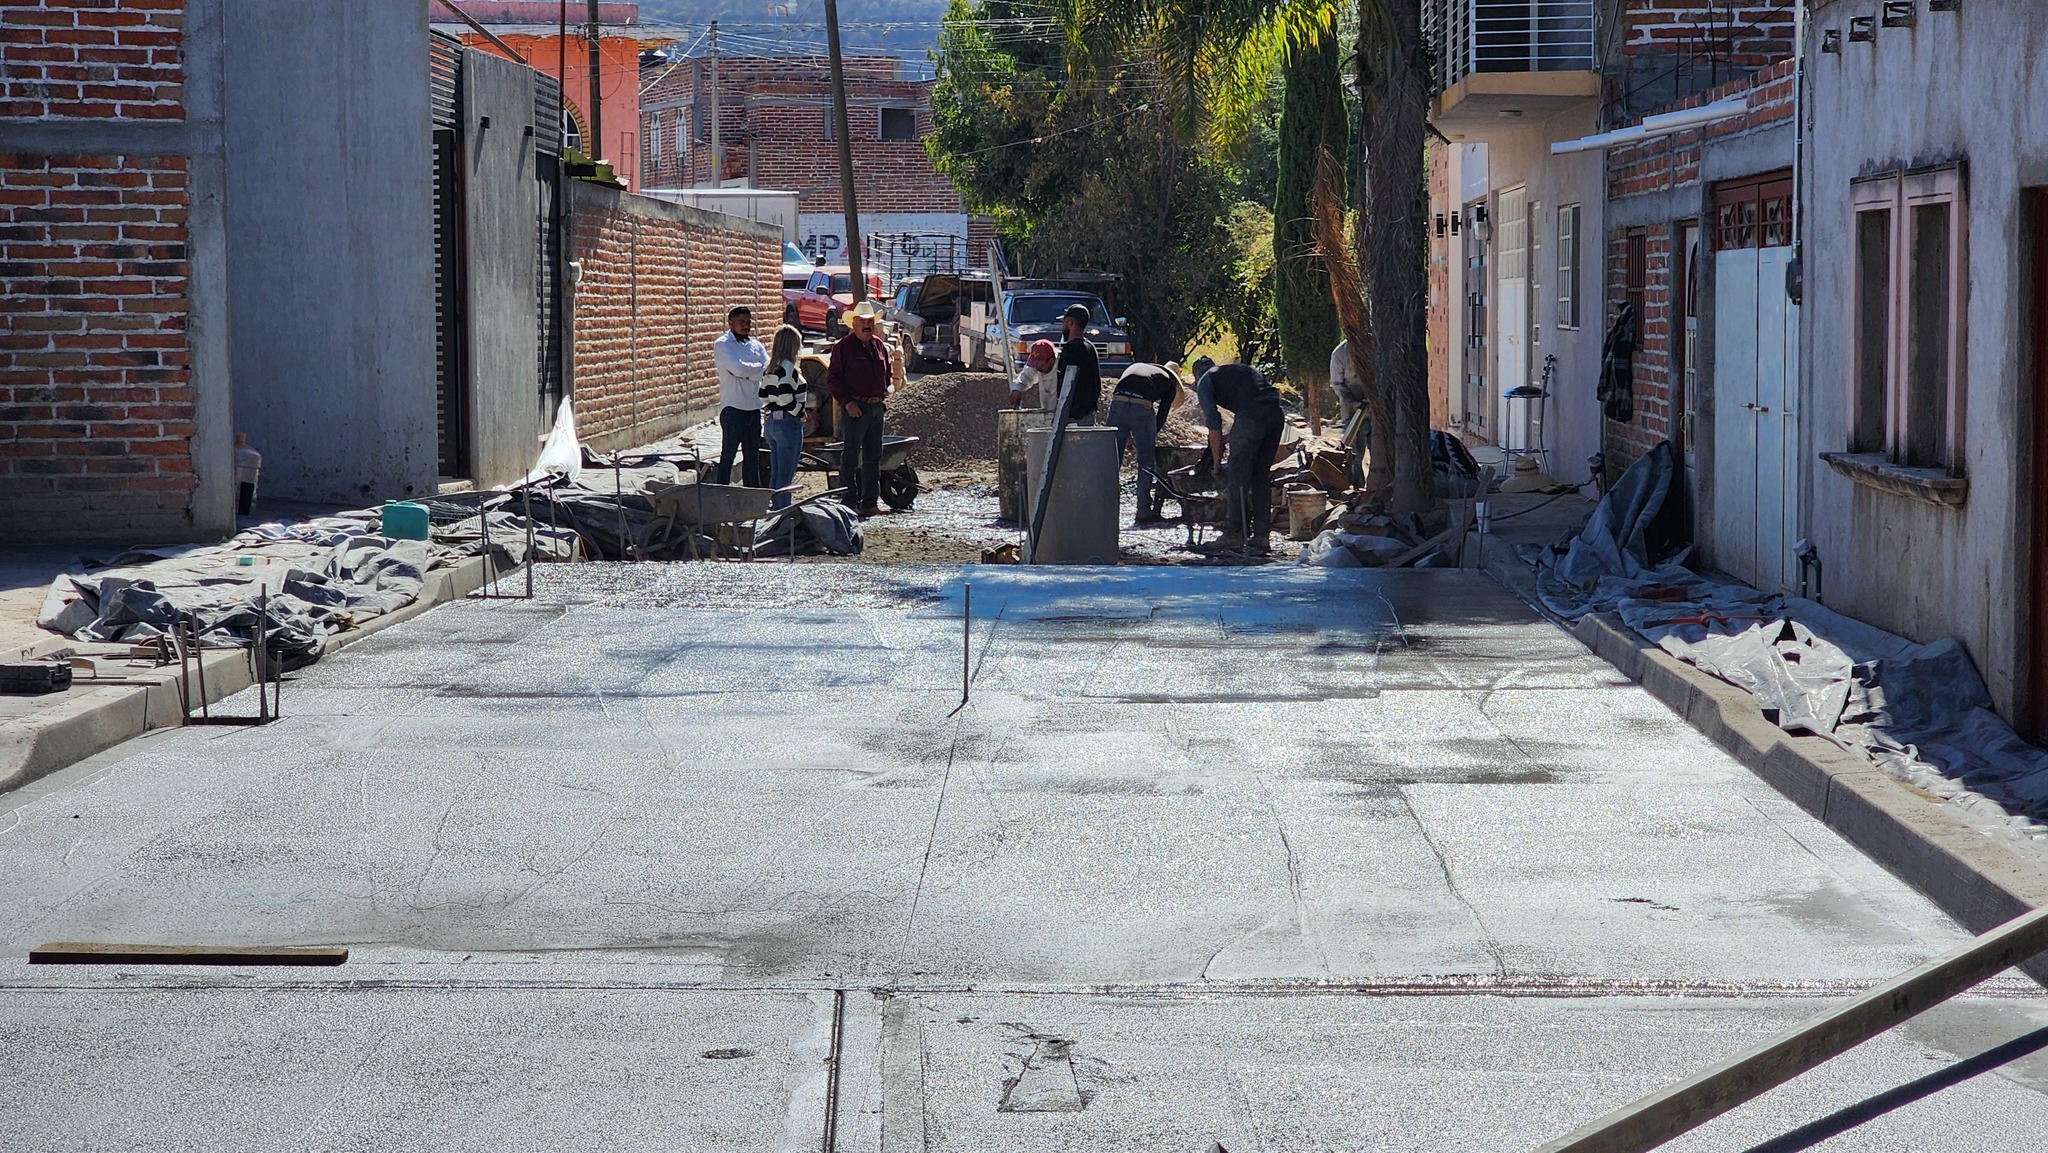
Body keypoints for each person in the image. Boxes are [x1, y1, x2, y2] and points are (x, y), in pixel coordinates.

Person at [1194, 355, 1285, 556]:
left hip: (1252, 417)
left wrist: (1217, 463)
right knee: (1260, 476)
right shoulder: (1235, 371)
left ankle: (1233, 533)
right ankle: (1262, 536)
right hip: (1275, 414)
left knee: (1237, 475)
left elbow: (1214, 427)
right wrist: (1233, 437)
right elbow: (1253, 406)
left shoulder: (1204, 381)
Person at [825, 299, 891, 516]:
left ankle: (869, 503)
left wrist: (883, 394)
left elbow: (888, 372)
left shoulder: (879, 346)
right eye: (862, 322)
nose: (867, 325)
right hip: (855, 407)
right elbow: (833, 379)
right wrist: (848, 402)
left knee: (874, 456)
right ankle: (849, 501)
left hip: (876, 408)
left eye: (870, 321)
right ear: (854, 324)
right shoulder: (843, 348)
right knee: (851, 456)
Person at [1106, 361, 1180, 524]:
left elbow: (1126, 399)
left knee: (1111, 459)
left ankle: (1103, 507)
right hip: (1142, 406)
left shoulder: (1139, 368)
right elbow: (1161, 417)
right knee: (1145, 461)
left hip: (1117, 404)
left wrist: (1130, 435)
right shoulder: (1169, 382)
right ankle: (1143, 511)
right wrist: (1145, 437)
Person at [712, 305, 768, 487]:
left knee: (752, 457)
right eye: (741, 322)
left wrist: (748, 371)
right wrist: (753, 369)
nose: (746, 326)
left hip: (754, 409)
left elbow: (767, 368)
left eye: (748, 322)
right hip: (733, 409)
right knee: (728, 455)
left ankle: (754, 497)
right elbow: (738, 369)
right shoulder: (723, 344)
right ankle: (721, 493)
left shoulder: (756, 345)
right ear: (730, 323)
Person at [759, 324, 809, 510]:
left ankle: (774, 507)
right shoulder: (788, 368)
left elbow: (763, 395)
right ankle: (783, 511)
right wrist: (800, 412)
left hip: (772, 421)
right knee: (786, 474)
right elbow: (786, 396)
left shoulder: (770, 368)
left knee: (777, 472)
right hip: (788, 422)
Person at [1052, 302, 1102, 425]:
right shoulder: (1091, 348)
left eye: (1064, 322)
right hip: (1088, 414)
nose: (1062, 326)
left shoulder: (1069, 350)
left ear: (1070, 323)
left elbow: (1064, 385)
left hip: (1071, 416)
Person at [1330, 338, 1368, 485]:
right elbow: (1337, 384)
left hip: (1375, 408)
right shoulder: (1340, 353)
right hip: (1353, 412)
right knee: (1355, 453)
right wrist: (1353, 403)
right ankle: (1355, 484)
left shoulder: (1374, 345)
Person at [1010, 338, 1058, 410]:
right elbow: (1027, 376)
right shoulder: (1037, 367)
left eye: (1040, 365)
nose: (1037, 368)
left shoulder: (1063, 364)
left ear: (1051, 361)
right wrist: (1017, 389)